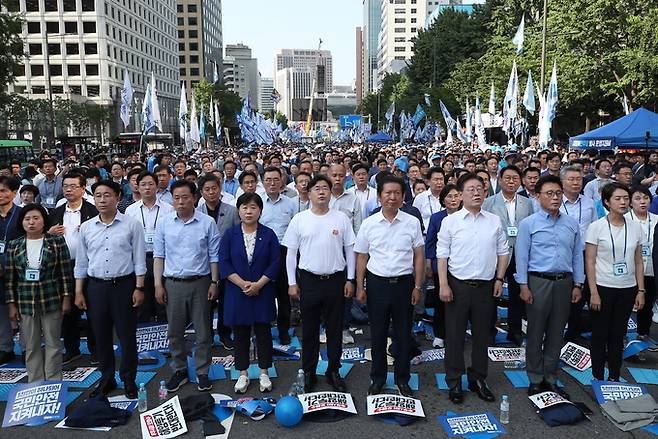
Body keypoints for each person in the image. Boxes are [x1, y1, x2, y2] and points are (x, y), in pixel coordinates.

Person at [437, 173, 509, 404]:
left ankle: (478, 378)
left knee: (482, 336)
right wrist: (444, 284)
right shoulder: (450, 221)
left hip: (486, 286)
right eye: (471, 189)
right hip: (458, 285)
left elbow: (503, 251)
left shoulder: (494, 220)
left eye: (480, 188)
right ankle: (455, 381)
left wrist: (499, 279)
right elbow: (442, 256)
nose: (477, 193)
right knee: (455, 336)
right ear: (460, 194)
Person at [283, 175, 356, 393]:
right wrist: (291, 282)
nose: (322, 192)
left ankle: (333, 370)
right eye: (317, 188)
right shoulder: (300, 219)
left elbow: (350, 249)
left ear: (330, 192)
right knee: (310, 331)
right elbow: (291, 254)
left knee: (334, 329)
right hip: (309, 281)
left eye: (325, 188)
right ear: (309, 193)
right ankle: (308, 372)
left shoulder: (341, 218)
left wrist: (350, 278)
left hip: (335, 280)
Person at [74, 180, 146, 399]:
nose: (102, 200)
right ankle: (106, 379)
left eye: (107, 195)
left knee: (126, 336)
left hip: (124, 286)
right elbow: (81, 262)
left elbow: (139, 259)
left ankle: (129, 379)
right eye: (98, 195)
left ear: (117, 197)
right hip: (95, 288)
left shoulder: (132, 224)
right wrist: (79, 291)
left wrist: (139, 287)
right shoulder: (86, 227)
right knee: (101, 336)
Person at [514, 175, 584, 400]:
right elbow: (521, 257)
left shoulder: (571, 224)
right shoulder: (529, 224)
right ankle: (535, 378)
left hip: (564, 282)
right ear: (537, 196)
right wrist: (523, 286)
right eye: (549, 194)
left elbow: (576, 257)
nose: (555, 198)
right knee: (535, 331)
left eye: (558, 193)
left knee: (556, 332)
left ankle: (550, 377)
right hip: (538, 282)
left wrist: (578, 284)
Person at [355, 175, 424, 398]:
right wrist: (360, 286)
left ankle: (402, 379)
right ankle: (378, 378)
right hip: (377, 284)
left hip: (404, 284)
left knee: (403, 334)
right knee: (377, 334)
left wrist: (418, 286)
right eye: (387, 193)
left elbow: (419, 256)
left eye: (397, 193)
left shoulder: (412, 222)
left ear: (403, 196)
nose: (392, 197)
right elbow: (362, 257)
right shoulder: (369, 223)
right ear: (379, 196)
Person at [154, 180, 220, 393]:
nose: (181, 202)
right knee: (174, 331)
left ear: (194, 198)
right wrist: (158, 284)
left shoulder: (207, 222)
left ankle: (202, 371)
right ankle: (179, 369)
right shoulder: (164, 223)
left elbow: (214, 255)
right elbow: (159, 256)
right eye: (176, 197)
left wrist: (214, 282)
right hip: (173, 284)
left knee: (203, 331)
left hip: (201, 282)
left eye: (185, 197)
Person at [220, 193, 280, 394]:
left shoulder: (269, 234)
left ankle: (264, 372)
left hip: (262, 291)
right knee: (241, 333)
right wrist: (243, 283)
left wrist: (259, 284)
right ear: (238, 210)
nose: (248, 211)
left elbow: (275, 263)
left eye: (253, 207)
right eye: (244, 207)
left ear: (260, 211)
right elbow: (224, 263)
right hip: (238, 291)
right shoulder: (230, 234)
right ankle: (243, 373)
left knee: (263, 332)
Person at [6, 204, 72, 382]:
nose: (31, 222)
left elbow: (65, 273)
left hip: (51, 299)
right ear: (22, 222)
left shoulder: (56, 242)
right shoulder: (14, 245)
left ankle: (53, 381)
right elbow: (10, 278)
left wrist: (66, 298)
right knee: (30, 345)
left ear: (44, 221)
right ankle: (35, 381)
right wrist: (11, 305)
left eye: (36, 218)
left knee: (53, 343)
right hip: (25, 302)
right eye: (27, 219)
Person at [585, 182, 645, 381]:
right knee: (600, 334)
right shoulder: (597, 227)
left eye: (626, 198)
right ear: (606, 202)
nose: (623, 202)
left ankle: (614, 375)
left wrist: (641, 290)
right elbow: (590, 261)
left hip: (627, 288)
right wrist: (593, 292)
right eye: (618, 199)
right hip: (602, 287)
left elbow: (638, 261)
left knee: (618, 335)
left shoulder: (635, 226)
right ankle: (598, 375)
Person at [48, 172, 99, 364]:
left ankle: (96, 349)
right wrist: (49, 232)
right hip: (63, 267)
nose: (68, 189)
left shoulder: (92, 211)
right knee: (68, 310)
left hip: (89, 265)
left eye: (73, 186)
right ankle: (72, 348)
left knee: (93, 309)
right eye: (65, 186)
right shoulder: (55, 212)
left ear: (83, 188)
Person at [482, 165, 534, 346]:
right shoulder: (489, 202)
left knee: (517, 294)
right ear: (500, 180)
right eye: (508, 178)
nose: (511, 182)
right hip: (496, 254)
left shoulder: (527, 203)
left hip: (519, 254)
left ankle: (515, 331)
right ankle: (490, 331)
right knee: (492, 294)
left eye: (515, 179)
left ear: (520, 182)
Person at [196, 174, 240, 349]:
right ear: (201, 192)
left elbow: (238, 236)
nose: (211, 192)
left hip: (226, 263)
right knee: (204, 303)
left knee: (225, 301)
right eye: (207, 189)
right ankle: (206, 336)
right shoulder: (197, 212)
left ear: (220, 188)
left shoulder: (232, 210)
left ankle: (224, 333)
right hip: (203, 264)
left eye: (214, 188)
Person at [125, 171, 174, 323]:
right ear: (137, 187)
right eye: (143, 185)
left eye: (151, 184)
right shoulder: (130, 210)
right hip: (140, 258)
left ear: (157, 186)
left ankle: (164, 335)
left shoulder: (168, 209)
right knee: (142, 301)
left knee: (163, 299)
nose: (147, 188)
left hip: (163, 258)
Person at [559, 166, 599, 342]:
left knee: (583, 294)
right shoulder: (555, 201)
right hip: (562, 255)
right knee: (564, 294)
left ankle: (574, 331)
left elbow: (596, 227)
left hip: (586, 254)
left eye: (579, 179)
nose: (576, 183)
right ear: (562, 182)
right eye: (571, 179)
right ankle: (560, 331)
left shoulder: (589, 203)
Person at [260, 166, 296, 346]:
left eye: (276, 179)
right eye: (268, 180)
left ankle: (283, 330)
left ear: (282, 181)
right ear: (263, 181)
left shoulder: (291, 203)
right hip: (263, 253)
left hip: (284, 251)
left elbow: (296, 229)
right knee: (263, 293)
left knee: (283, 295)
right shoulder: (257, 202)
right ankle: (263, 330)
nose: (272, 183)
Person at [425, 184, 461, 348]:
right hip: (442, 265)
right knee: (441, 302)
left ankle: (457, 334)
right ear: (443, 200)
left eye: (456, 196)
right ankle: (440, 334)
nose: (453, 200)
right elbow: (430, 242)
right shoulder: (437, 218)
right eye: (449, 197)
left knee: (460, 302)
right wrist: (428, 263)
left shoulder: (466, 216)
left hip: (462, 266)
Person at [626, 186, 657, 348]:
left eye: (645, 198)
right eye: (637, 198)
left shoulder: (657, 219)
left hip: (651, 269)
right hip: (629, 270)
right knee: (626, 303)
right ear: (630, 202)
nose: (642, 201)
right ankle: (622, 335)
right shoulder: (624, 219)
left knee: (647, 304)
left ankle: (643, 335)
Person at [0, 176, 22, 363]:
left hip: (19, 271)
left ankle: (27, 348)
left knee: (22, 310)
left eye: (4, 190)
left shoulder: (23, 214)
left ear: (14, 193)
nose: (0, 195)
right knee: (1, 311)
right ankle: (5, 347)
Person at [413, 167, 445, 231]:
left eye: (441, 179)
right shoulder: (420, 198)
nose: (439, 182)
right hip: (425, 235)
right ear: (428, 182)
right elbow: (414, 218)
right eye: (436, 179)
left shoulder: (448, 197)